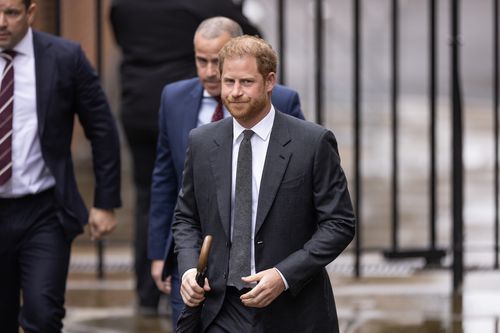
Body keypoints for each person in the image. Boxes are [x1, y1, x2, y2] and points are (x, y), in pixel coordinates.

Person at [172, 35, 355, 332]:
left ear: (270, 81)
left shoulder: (312, 142)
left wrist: (283, 275)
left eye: (246, 82)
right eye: (228, 81)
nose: (234, 92)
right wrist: (190, 270)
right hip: (220, 308)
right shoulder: (202, 142)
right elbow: (186, 218)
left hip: (292, 309)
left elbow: (339, 224)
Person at [148, 17, 304, 330]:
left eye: (216, 61)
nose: (209, 72)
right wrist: (157, 253)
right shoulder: (174, 99)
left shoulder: (282, 100)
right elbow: (165, 179)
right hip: (196, 257)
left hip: (256, 259)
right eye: (200, 60)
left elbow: (298, 175)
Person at [109, 0, 260, 315]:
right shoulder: (202, 5)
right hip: (182, 105)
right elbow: (254, 42)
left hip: (138, 103)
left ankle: (150, 291)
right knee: (188, 190)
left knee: (150, 195)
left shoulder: (123, 5)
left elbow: (122, 37)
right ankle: (185, 278)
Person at [0, 0, 121, 332]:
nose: (1, 22)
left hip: (44, 211)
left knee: (43, 314)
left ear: (30, 12)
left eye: (10, 12)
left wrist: (105, 202)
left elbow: (102, 128)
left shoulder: (64, 57)